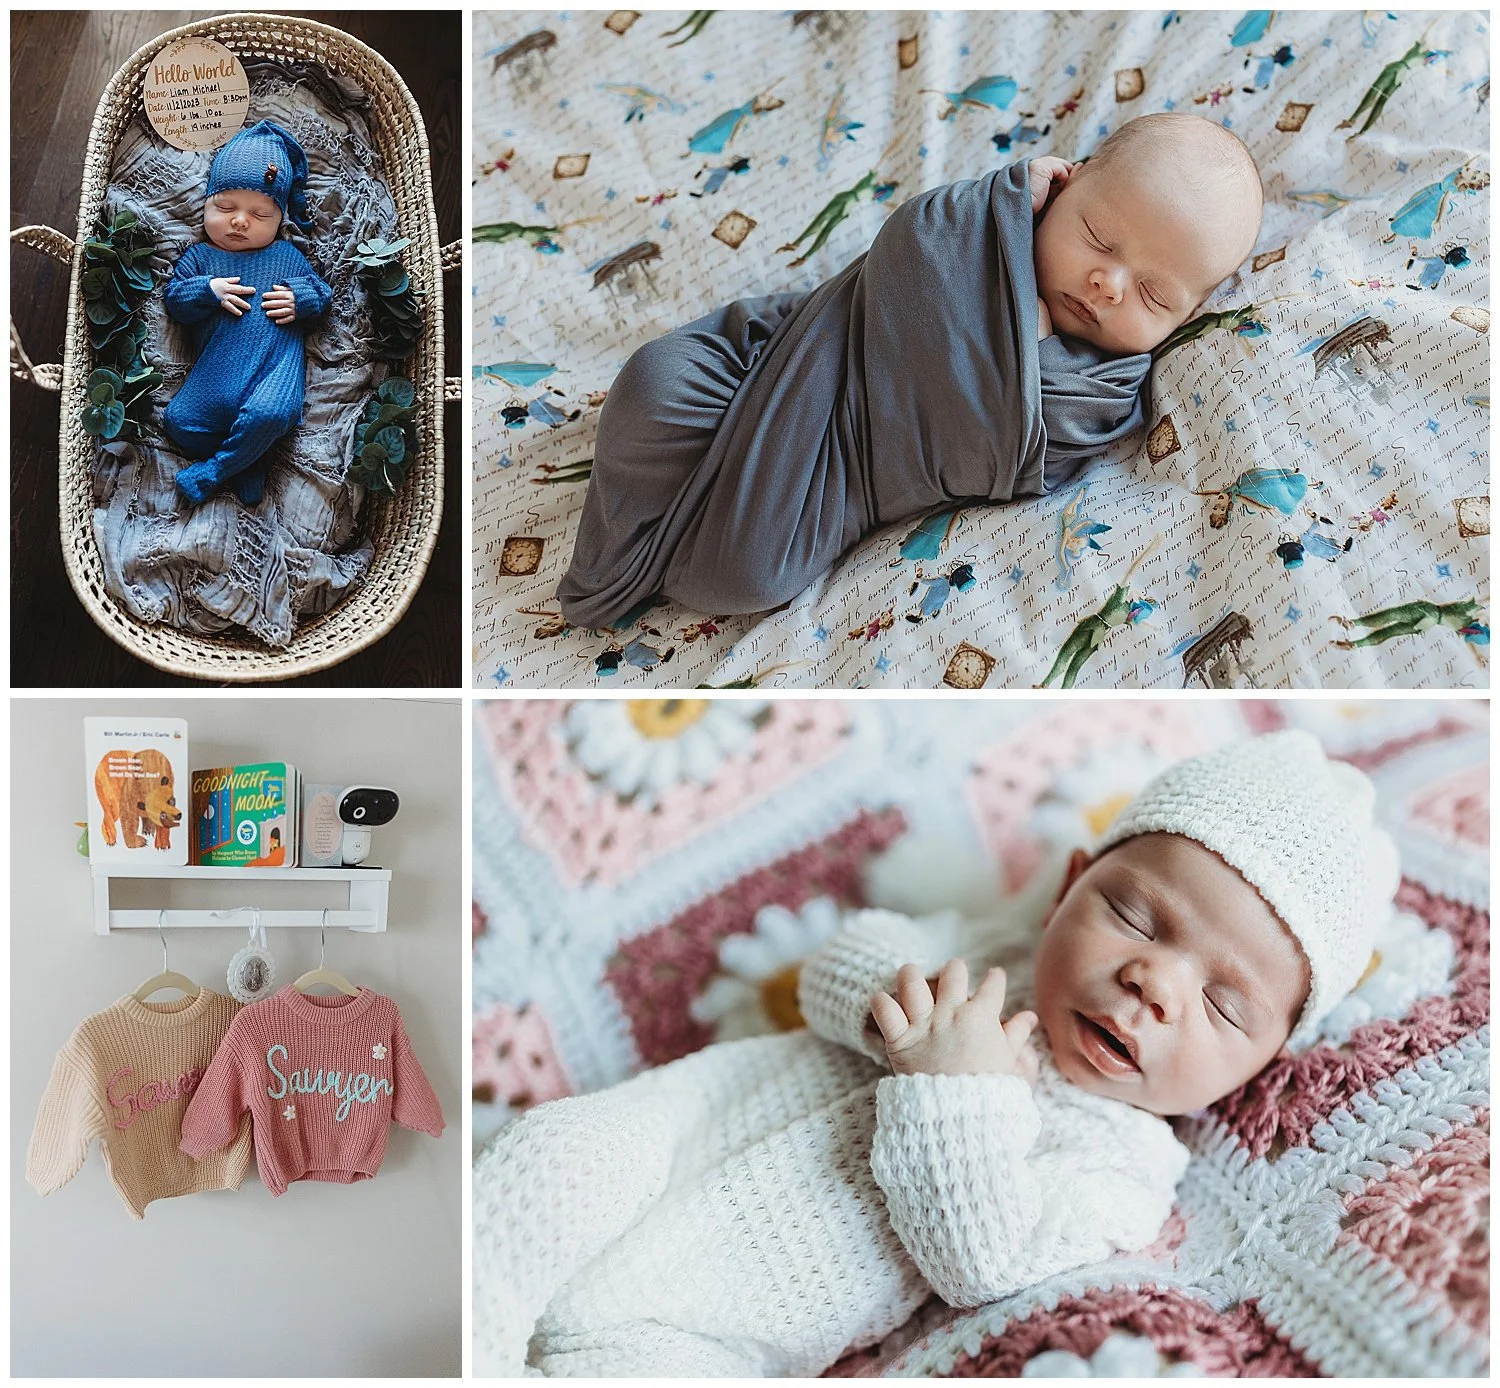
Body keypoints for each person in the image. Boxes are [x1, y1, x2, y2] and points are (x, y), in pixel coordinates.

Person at [475, 730, 1395, 1375]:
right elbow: (836, 963)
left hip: (711, 1332)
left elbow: (983, 1260)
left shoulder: (1125, 1167)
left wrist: (960, 1092)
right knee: (544, 1162)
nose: (1155, 982)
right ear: (1068, 889)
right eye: (1134, 916)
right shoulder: (986, 956)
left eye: (1224, 1005)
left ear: (1266, 1064)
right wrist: (906, 1021)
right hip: (656, 1148)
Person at [556, 112, 1262, 629]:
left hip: (843, 474)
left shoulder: (1100, 392)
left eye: (1152, 295)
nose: (1109, 282)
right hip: (787, 355)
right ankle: (645, 535)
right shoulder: (973, 226)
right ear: (1060, 187)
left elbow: (998, 459)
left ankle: (665, 543)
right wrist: (1005, 203)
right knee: (656, 381)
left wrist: (1024, 348)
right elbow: (907, 251)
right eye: (1098, 238)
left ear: (1188, 316)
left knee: (744, 576)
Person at [161, 120, 332, 506]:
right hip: (216, 374)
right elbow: (175, 301)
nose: (240, 220)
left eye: (260, 214)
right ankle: (249, 458)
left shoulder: (287, 256)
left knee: (270, 415)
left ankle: (215, 471)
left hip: (272, 372)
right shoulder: (200, 257)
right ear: (206, 204)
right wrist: (208, 289)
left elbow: (323, 295)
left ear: (280, 221)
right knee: (178, 422)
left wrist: (300, 298)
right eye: (225, 207)